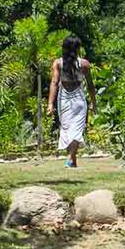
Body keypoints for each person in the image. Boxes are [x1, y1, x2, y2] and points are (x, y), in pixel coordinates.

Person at [47, 36, 94, 168]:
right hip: (78, 99)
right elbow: (90, 85)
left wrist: (50, 103)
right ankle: (72, 160)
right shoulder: (84, 64)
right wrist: (93, 102)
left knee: (69, 129)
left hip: (64, 99)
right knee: (74, 129)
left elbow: (54, 83)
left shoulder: (58, 63)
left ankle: (69, 158)